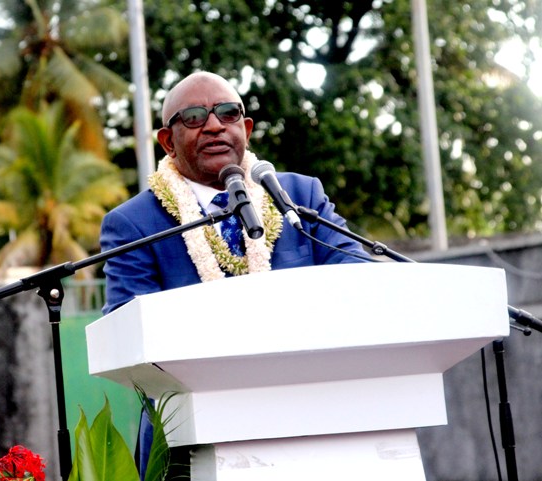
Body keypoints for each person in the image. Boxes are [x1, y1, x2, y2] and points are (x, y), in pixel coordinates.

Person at [98, 71, 370, 478]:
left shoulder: (299, 196)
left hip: (315, 421)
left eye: (227, 113)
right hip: (190, 443)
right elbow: (129, 331)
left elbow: (358, 278)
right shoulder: (134, 224)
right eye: (194, 117)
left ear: (246, 128)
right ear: (168, 142)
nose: (213, 125)